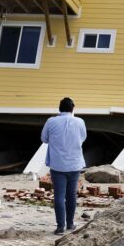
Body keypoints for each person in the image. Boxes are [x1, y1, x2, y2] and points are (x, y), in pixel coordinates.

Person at [41, 97, 87, 235]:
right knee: (71, 195)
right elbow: (83, 138)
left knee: (59, 196)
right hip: (75, 164)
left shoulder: (51, 121)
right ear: (73, 109)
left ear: (59, 108)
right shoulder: (80, 122)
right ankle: (71, 224)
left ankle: (60, 226)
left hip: (58, 165)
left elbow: (44, 139)